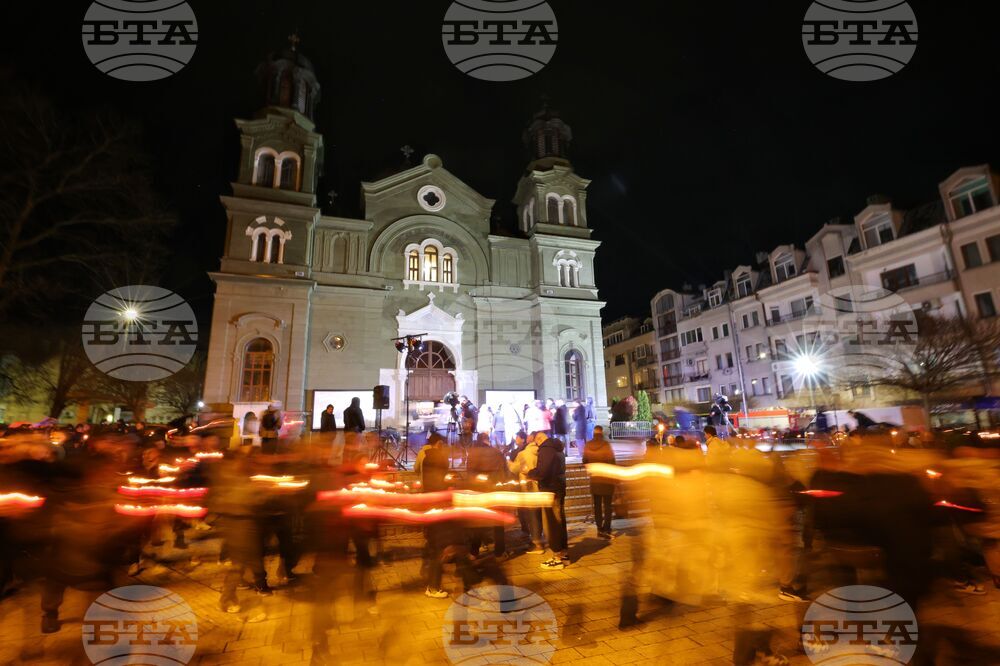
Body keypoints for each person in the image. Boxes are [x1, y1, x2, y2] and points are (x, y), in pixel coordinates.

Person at [529, 433, 568, 569]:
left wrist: (531, 473)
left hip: (550, 489)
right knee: (560, 521)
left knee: (553, 523)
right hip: (559, 487)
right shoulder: (558, 448)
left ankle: (557, 557)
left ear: (539, 440)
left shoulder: (546, 449)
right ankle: (563, 553)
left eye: (536, 443)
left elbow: (542, 471)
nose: (537, 446)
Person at [583, 426, 617, 538]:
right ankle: (607, 529)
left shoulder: (588, 445)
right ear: (601, 433)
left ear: (594, 433)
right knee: (607, 506)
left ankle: (599, 529)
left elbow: (585, 460)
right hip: (606, 479)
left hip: (595, 479)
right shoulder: (606, 445)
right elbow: (612, 462)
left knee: (597, 506)